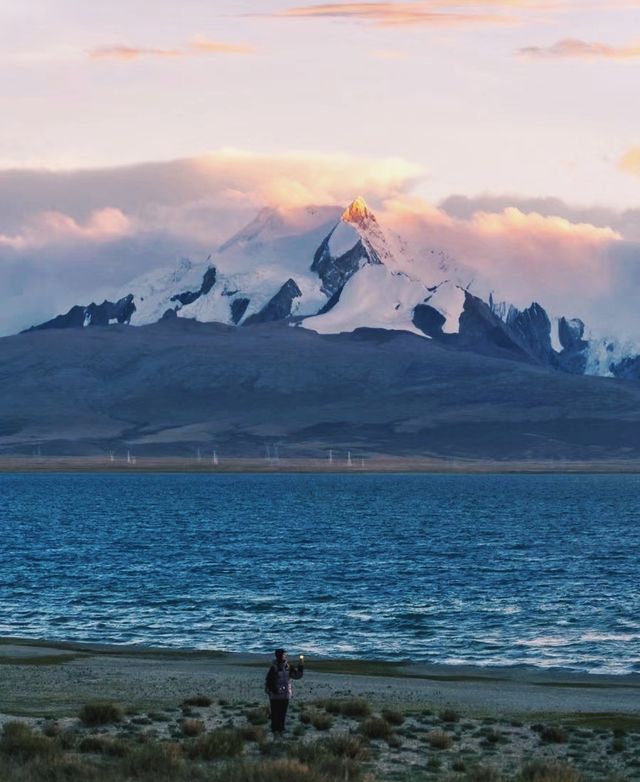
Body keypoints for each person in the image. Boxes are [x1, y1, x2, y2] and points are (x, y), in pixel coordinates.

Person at [265, 648, 303, 735]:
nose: (286, 656)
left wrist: (301, 665)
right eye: (284, 655)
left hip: (285, 695)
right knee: (275, 714)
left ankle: (281, 730)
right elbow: (269, 681)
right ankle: (274, 730)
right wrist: (274, 691)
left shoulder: (288, 667)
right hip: (275, 696)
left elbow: (297, 676)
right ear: (279, 656)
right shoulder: (273, 668)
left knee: (282, 714)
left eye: (286, 655)